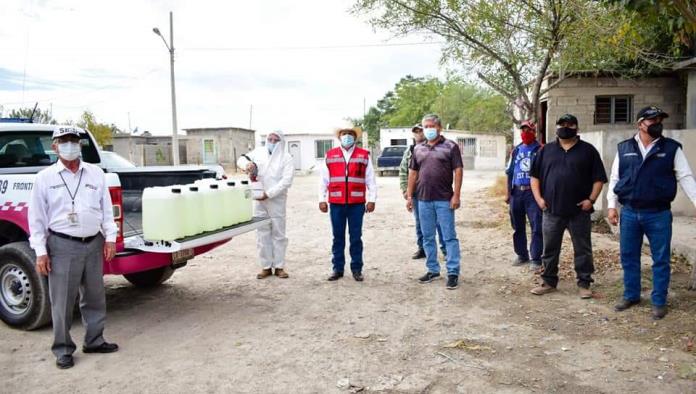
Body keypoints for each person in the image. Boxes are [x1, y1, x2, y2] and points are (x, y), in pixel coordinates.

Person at [28, 126, 119, 370]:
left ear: (80, 145)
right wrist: (40, 252)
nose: (70, 145)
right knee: (62, 301)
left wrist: (110, 238)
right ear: (55, 146)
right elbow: (36, 219)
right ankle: (63, 349)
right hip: (62, 245)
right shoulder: (44, 178)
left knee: (95, 297)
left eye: (74, 140)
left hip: (93, 242)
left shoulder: (95, 173)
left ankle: (94, 340)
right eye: (64, 140)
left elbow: (106, 210)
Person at [607, 106, 696, 320]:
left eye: (659, 120)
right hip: (629, 212)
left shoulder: (671, 149)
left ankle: (659, 300)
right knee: (629, 257)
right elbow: (615, 178)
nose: (657, 124)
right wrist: (612, 205)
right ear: (640, 124)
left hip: (658, 214)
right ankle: (631, 295)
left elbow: (686, 177)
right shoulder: (625, 148)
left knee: (661, 259)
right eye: (652, 120)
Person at [529, 114, 607, 298]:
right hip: (551, 211)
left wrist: (591, 200)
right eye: (562, 124)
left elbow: (599, 179)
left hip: (579, 211)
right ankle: (548, 281)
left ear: (577, 128)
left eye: (570, 124)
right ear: (556, 127)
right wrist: (539, 199)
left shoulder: (588, 151)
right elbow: (535, 177)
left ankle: (584, 283)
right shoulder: (545, 150)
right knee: (549, 248)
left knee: (583, 249)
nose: (566, 127)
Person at [406, 114, 463, 290]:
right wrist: (409, 195)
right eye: (426, 126)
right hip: (423, 200)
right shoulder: (418, 149)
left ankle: (452, 272)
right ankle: (432, 269)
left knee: (449, 236)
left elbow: (458, 171)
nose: (428, 129)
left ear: (439, 128)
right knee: (428, 236)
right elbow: (413, 173)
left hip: (444, 199)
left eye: (431, 126)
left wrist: (456, 195)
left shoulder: (450, 146)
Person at [319, 124, 377, 281]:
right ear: (339, 137)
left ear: (355, 137)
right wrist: (321, 199)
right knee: (337, 237)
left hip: (357, 204)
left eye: (350, 134)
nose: (347, 136)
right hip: (336, 203)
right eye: (344, 133)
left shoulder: (364, 155)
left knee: (356, 237)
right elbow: (324, 180)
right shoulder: (330, 155)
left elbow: (370, 179)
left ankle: (357, 269)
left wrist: (372, 200)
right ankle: (337, 269)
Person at [237, 130, 294, 279]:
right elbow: (241, 159)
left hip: (276, 200)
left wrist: (268, 194)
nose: (272, 142)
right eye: (270, 138)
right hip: (258, 199)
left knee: (279, 234)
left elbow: (286, 181)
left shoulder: (286, 158)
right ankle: (266, 267)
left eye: (276, 140)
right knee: (262, 233)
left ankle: (279, 267)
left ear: (281, 142)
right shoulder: (259, 152)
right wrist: (247, 165)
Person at [399, 124, 447, 260]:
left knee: (439, 222)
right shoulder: (409, 151)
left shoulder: (437, 148)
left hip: (434, 191)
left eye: (421, 131)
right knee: (420, 222)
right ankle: (423, 249)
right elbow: (403, 171)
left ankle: (445, 249)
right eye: (416, 132)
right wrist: (405, 189)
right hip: (416, 193)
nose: (419, 134)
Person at [505, 120, 543, 270]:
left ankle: (536, 257)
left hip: (532, 193)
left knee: (536, 226)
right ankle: (522, 254)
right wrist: (508, 193)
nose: (525, 133)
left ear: (534, 131)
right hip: (517, 193)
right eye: (523, 130)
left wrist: (541, 195)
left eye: (528, 130)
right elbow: (509, 172)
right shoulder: (516, 150)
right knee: (517, 226)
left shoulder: (541, 149)